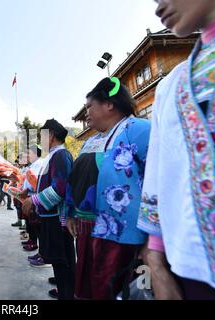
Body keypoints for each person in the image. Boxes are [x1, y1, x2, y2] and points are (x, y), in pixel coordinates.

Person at [138, 0, 215, 300]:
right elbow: (159, 177)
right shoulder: (170, 85)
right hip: (190, 270)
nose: (158, 5)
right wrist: (156, 263)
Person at [66, 77, 151, 300]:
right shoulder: (90, 141)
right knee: (90, 287)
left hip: (124, 237)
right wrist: (71, 212)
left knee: (117, 290)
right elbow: (74, 178)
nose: (86, 113)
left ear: (109, 104)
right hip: (88, 230)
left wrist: (153, 238)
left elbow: (160, 180)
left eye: (89, 106)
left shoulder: (139, 129)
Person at [22, 119, 75, 300]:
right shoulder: (53, 156)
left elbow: (59, 188)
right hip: (50, 216)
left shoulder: (60, 156)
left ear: (51, 135)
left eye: (42, 135)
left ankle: (67, 293)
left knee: (63, 260)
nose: (40, 140)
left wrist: (33, 200)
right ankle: (63, 287)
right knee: (58, 259)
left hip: (57, 219)